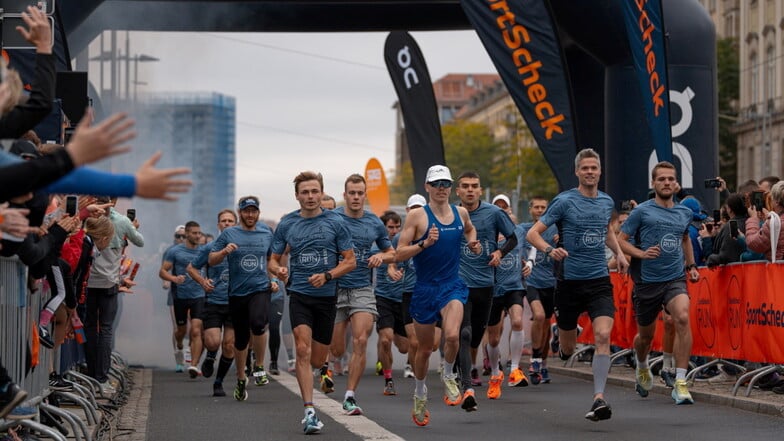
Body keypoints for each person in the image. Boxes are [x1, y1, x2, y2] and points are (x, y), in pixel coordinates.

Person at [526, 148, 628, 422]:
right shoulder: (564, 201)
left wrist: (618, 253)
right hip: (569, 283)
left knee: (603, 336)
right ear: (577, 172)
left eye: (594, 168)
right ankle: (562, 337)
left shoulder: (606, 201)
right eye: (585, 168)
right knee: (568, 351)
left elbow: (606, 231)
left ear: (600, 171)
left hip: (598, 281)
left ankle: (599, 397)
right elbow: (532, 233)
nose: (590, 172)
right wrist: (550, 250)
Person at [268, 172, 356, 434]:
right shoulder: (287, 224)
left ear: (321, 192)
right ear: (297, 195)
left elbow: (350, 261)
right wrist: (279, 271)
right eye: (304, 192)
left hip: (327, 297)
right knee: (303, 350)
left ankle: (320, 373)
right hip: (299, 295)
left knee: (318, 359)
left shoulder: (336, 222)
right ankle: (309, 411)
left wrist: (328, 275)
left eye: (314, 191)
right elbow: (273, 260)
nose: (309, 197)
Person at [395, 165, 481, 427]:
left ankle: (448, 374)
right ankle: (420, 392)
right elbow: (399, 253)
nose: (442, 188)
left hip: (451, 285)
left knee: (453, 335)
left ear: (450, 188)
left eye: (446, 184)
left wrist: (473, 243)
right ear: (427, 187)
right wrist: (424, 244)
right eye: (437, 184)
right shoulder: (417, 217)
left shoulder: (461, 212)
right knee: (424, 349)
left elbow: (469, 229)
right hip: (424, 289)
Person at [618, 161, 700, 405]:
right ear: (653, 183)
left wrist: (691, 266)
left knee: (682, 317)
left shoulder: (684, 212)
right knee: (645, 337)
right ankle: (642, 365)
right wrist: (640, 254)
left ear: (676, 184)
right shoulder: (641, 211)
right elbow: (620, 239)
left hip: (674, 278)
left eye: (670, 179)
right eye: (661, 179)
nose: (666, 182)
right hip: (646, 281)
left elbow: (685, 238)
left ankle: (681, 382)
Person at [330, 174, 395, 415]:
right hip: (335, 288)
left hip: (362, 289)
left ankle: (349, 397)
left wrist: (382, 257)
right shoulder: (332, 218)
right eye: (352, 193)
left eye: (360, 193)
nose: (356, 197)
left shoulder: (374, 222)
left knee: (360, 340)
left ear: (365, 195)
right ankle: (332, 362)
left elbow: (392, 253)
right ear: (345, 195)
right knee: (336, 349)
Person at [454, 171, 517, 412]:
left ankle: (463, 368)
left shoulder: (493, 213)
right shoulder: (450, 214)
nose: (470, 190)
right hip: (458, 284)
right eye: (465, 186)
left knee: (477, 335)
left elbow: (513, 238)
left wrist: (500, 252)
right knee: (465, 333)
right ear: (458, 191)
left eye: (474, 186)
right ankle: (466, 386)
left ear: (480, 190)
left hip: (486, 284)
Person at [209, 196, 276, 401]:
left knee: (258, 323)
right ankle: (240, 378)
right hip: (237, 292)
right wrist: (223, 252)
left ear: (258, 213)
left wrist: (274, 278)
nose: (250, 215)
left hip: (260, 288)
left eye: (253, 211)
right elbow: (211, 260)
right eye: (246, 211)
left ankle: (259, 367)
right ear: (240, 212)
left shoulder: (266, 233)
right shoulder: (229, 233)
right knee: (240, 340)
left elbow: (270, 260)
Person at [85, 199, 144, 394]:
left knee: (91, 328)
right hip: (107, 282)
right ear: (114, 201)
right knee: (106, 329)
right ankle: (100, 378)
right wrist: (132, 228)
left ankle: (94, 375)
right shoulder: (120, 221)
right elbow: (140, 241)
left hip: (89, 283)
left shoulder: (85, 217)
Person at [186, 209, 237, 396]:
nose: (226, 223)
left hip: (236, 302)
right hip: (214, 301)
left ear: (235, 224)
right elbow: (191, 268)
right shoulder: (210, 247)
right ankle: (210, 356)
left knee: (230, 345)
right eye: (223, 221)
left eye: (230, 221)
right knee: (213, 341)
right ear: (218, 225)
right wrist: (202, 281)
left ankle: (219, 382)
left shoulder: (244, 246)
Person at [485, 225, 531, 399]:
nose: (503, 212)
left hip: (514, 286)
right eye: (499, 208)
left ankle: (514, 370)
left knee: (517, 322)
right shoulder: (487, 232)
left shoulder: (518, 231)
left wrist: (530, 262)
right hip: (493, 289)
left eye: (506, 208)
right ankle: (496, 374)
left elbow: (535, 240)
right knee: (493, 338)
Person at [159, 221, 206, 378]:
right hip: (180, 295)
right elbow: (162, 272)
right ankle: (179, 346)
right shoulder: (175, 251)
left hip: (199, 295)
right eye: (194, 233)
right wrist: (173, 278)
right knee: (181, 331)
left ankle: (194, 364)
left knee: (196, 329)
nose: (198, 236)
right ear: (187, 234)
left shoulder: (204, 250)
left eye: (199, 233)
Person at [519, 196, 557, 385]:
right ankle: (534, 359)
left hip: (551, 282)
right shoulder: (524, 229)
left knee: (546, 323)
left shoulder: (555, 230)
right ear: (531, 210)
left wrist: (561, 240)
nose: (540, 210)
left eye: (544, 207)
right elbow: (515, 247)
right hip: (531, 281)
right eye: (537, 207)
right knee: (539, 316)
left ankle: (543, 363)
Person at [375, 210, 409, 396]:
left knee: (404, 348)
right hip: (383, 299)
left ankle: (391, 337)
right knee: (385, 339)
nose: (394, 231)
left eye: (397, 227)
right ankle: (388, 380)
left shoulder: (405, 247)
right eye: (390, 227)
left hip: (403, 300)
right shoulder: (376, 248)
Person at [746, 180, 784, 261]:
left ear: (776, 202)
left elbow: (754, 244)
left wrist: (753, 219)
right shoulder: (774, 220)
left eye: (771, 198)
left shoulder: (775, 223)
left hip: (779, 270)